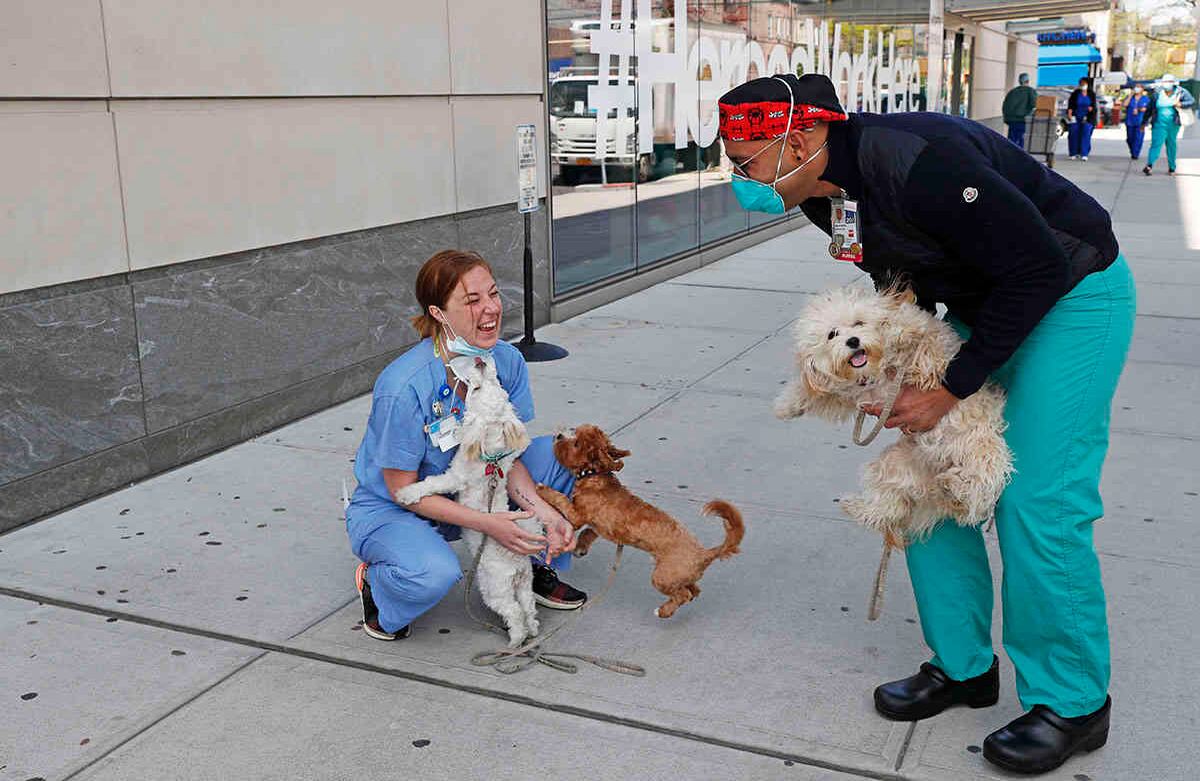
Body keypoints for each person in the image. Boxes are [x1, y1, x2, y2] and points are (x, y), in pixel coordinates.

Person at [719, 74, 1133, 776]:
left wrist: (949, 388)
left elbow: (1036, 267)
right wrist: (892, 373)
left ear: (801, 137)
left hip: (1071, 296)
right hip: (985, 306)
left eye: (745, 162)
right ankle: (964, 667)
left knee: (1037, 499)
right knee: (923, 480)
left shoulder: (920, 160)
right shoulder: (821, 193)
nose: (740, 179)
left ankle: (1073, 701)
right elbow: (901, 288)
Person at [346, 249, 586, 642]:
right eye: (472, 300)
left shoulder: (507, 361)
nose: (491, 308)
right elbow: (402, 490)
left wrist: (545, 513)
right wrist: (488, 523)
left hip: (476, 486)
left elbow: (505, 459)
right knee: (434, 574)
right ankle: (380, 585)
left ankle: (531, 561)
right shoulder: (403, 386)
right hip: (399, 505)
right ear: (438, 313)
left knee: (567, 458)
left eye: (493, 293)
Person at [1143, 74, 1195, 176]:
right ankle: (1149, 165)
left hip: (1173, 124)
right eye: (1165, 82)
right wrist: (1143, 122)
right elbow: (1149, 108)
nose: (1167, 84)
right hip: (1159, 124)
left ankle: (1172, 168)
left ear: (1173, 83)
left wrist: (1181, 104)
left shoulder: (1181, 92)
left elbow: (1192, 101)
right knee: (1156, 144)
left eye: (1169, 82)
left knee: (1171, 145)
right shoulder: (1157, 93)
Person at [1002, 73, 1038, 149]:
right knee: (1021, 141)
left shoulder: (1012, 92)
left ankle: (1009, 153)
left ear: (1019, 81)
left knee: (1011, 140)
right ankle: (1019, 154)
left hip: (1011, 120)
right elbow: (1034, 104)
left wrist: (1007, 118)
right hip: (1023, 120)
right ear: (1028, 81)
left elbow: (1005, 106)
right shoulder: (1030, 91)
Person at [1066, 77, 1097, 161]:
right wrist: (1070, 113)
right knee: (1073, 133)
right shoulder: (1076, 93)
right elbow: (1071, 104)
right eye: (1081, 84)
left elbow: (1094, 106)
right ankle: (1073, 153)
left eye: (1084, 84)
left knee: (1086, 133)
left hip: (1088, 117)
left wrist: (1091, 109)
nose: (1082, 85)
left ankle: (1084, 153)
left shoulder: (1091, 94)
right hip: (1076, 116)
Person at [1123, 83, 1150, 160]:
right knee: (1130, 138)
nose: (1137, 89)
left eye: (1138, 87)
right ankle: (1133, 150)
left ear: (1142, 89)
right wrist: (1130, 95)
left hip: (1141, 122)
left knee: (1139, 138)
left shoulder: (1145, 99)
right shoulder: (1130, 98)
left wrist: (1139, 109)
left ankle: (1135, 154)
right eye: (1135, 87)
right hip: (1130, 121)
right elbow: (1125, 105)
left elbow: (1147, 109)